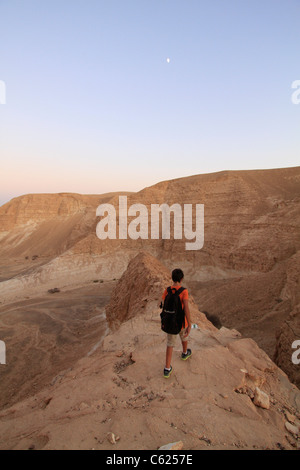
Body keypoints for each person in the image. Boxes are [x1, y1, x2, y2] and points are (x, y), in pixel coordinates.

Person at [161, 268, 192, 378]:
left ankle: (167, 368)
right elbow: (186, 308)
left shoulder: (167, 290)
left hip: (170, 322)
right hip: (181, 322)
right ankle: (184, 353)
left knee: (170, 344)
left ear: (172, 278)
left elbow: (163, 304)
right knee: (184, 337)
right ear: (182, 278)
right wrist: (190, 323)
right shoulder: (184, 291)